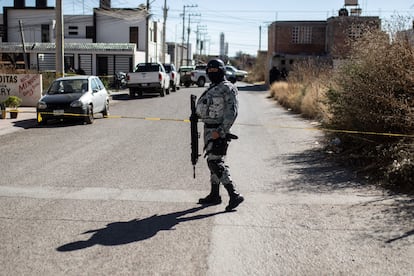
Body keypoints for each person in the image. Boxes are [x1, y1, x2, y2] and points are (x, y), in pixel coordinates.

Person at [195, 58, 244, 211]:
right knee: (213, 161)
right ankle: (214, 195)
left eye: (215, 71)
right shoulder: (213, 87)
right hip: (209, 129)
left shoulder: (227, 88)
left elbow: (232, 113)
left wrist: (221, 132)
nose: (211, 73)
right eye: (209, 71)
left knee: (215, 162)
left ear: (222, 71)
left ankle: (234, 194)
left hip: (218, 131)